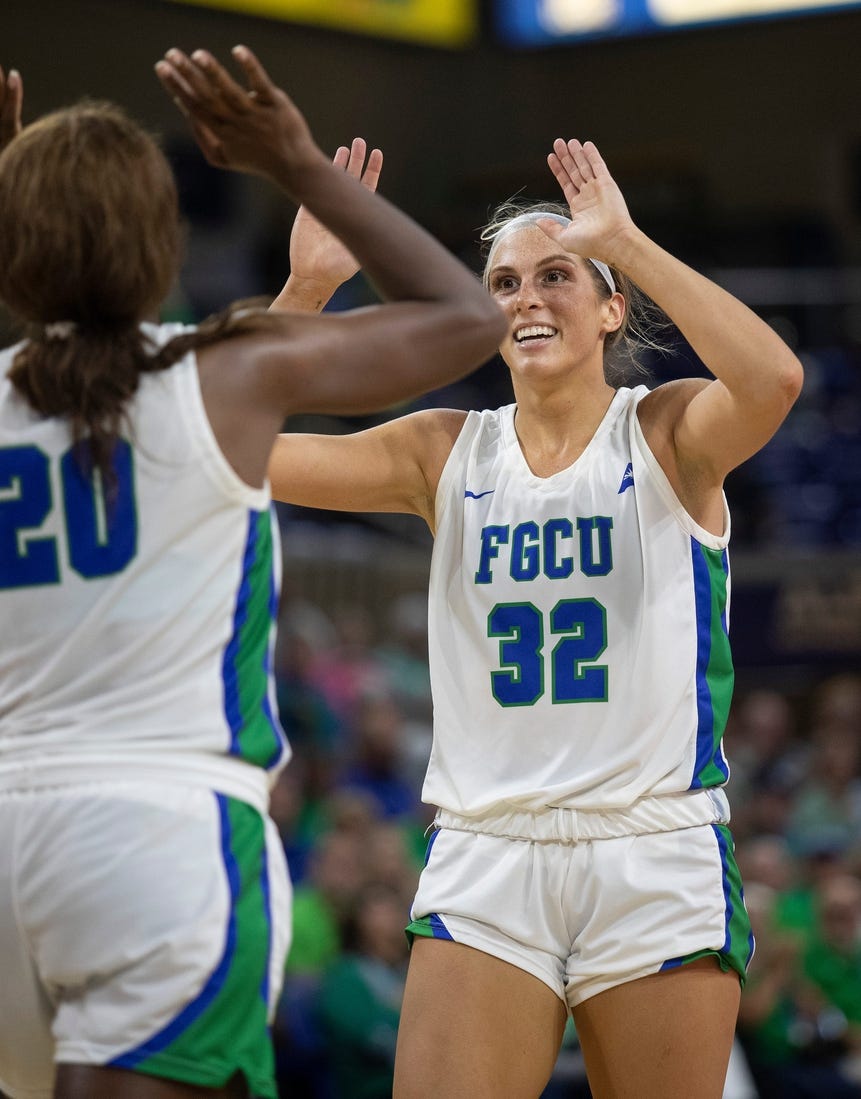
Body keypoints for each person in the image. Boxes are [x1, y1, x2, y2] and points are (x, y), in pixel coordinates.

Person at [0, 45, 503, 1099]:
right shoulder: (220, 372)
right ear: (162, 240)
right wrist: (296, 165)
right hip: (161, 832)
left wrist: (19, 203)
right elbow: (466, 318)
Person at [267, 132, 805, 1098]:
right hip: (488, 847)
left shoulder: (665, 430)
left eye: (556, 275)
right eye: (504, 282)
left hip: (651, 844)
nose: (526, 297)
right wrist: (305, 289)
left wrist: (627, 241)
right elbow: (233, 446)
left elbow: (771, 382)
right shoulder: (441, 452)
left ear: (610, 309)